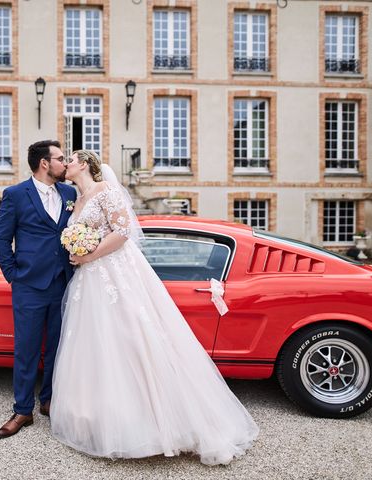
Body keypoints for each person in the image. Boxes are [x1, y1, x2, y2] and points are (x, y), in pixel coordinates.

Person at [50, 150, 259, 465]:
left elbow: (121, 233)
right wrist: (79, 251)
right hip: (89, 281)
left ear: (84, 164)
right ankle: (98, 419)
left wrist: (87, 255)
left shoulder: (105, 191)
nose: (65, 165)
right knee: (96, 346)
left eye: (70, 160)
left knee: (133, 339)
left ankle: (159, 422)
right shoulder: (76, 201)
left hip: (114, 273)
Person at [0, 140, 77, 439]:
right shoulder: (16, 194)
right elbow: (1, 239)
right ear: (45, 163)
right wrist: (13, 275)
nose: (65, 163)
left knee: (56, 347)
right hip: (29, 286)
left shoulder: (69, 193)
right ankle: (22, 410)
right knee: (26, 349)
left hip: (62, 283)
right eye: (60, 158)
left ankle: (49, 401)